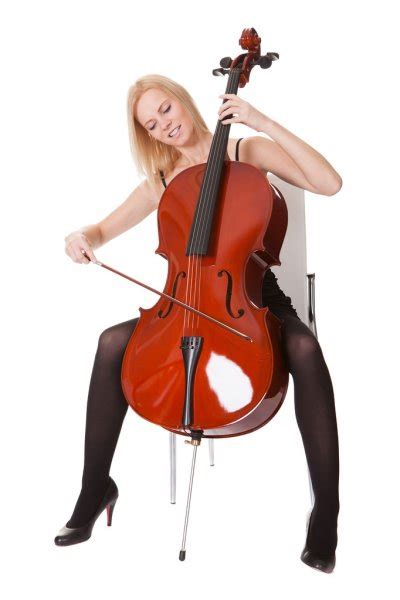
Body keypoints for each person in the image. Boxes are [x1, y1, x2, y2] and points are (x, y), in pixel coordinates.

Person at [54, 74, 342, 573]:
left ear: (183, 100)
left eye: (165, 110)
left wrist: (262, 120)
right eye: (151, 124)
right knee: (110, 343)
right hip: (184, 304)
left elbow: (329, 184)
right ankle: (95, 486)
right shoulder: (164, 181)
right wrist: (82, 237)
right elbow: (102, 229)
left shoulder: (246, 151)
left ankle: (326, 511)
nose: (165, 126)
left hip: (254, 302)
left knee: (305, 350)